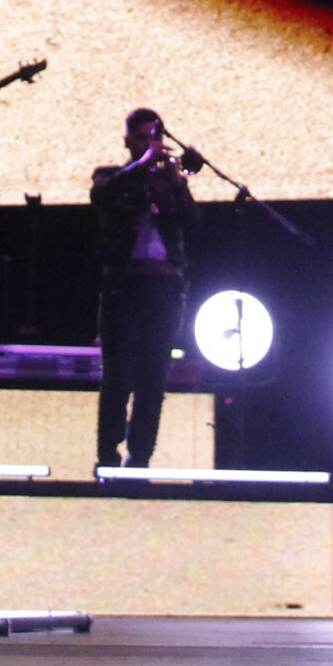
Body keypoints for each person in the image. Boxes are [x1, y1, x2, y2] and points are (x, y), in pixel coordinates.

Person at [91, 108, 199, 469]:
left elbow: (193, 223)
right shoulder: (112, 176)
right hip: (124, 288)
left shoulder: (170, 182)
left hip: (165, 289)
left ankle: (141, 459)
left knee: (153, 380)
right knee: (117, 378)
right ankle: (108, 457)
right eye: (140, 138)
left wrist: (176, 183)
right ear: (127, 141)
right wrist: (141, 168)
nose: (148, 145)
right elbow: (101, 195)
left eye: (153, 137)